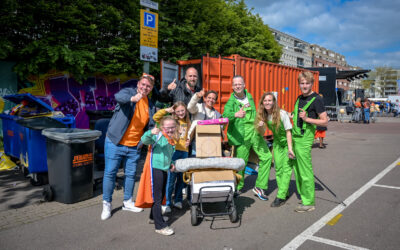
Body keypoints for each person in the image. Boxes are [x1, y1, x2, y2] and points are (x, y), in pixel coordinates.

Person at [101, 73, 156, 220]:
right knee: (110, 173)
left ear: (151, 89)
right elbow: (119, 97)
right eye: (143, 84)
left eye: (148, 86)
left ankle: (127, 201)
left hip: (134, 146)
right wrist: (133, 99)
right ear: (138, 84)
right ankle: (107, 203)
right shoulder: (129, 93)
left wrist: (147, 138)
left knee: (130, 174)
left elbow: (150, 125)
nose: (145, 88)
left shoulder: (150, 105)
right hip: (115, 142)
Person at [223, 75, 272, 200]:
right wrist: (235, 114)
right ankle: (238, 187)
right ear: (232, 87)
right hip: (241, 136)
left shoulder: (248, 96)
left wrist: (260, 122)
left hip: (255, 132)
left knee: (267, 157)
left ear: (244, 85)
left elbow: (255, 112)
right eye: (235, 84)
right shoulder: (231, 101)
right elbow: (225, 116)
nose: (238, 86)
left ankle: (260, 186)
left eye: (240, 84)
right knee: (241, 164)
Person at [291, 71, 328, 212]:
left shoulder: (317, 99)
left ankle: (309, 202)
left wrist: (307, 119)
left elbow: (324, 122)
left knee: (305, 171)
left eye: (307, 83)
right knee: (298, 170)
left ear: (312, 83)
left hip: (305, 139)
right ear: (299, 84)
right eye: (302, 83)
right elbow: (295, 117)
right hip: (295, 138)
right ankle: (304, 196)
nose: (304, 85)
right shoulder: (299, 98)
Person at [255, 92, 295, 207]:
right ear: (262, 102)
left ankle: (281, 196)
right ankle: (285, 192)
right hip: (277, 143)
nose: (267, 102)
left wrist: (290, 149)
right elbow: (261, 132)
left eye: (270, 100)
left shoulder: (282, 114)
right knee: (278, 169)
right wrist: (261, 126)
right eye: (265, 100)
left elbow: (288, 131)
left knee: (286, 169)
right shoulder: (263, 115)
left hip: (288, 143)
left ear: (273, 102)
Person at [141, 116, 177, 236]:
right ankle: (159, 226)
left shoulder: (171, 138)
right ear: (162, 127)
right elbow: (144, 140)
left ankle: (153, 217)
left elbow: (168, 155)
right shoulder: (158, 136)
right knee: (157, 198)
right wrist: (150, 132)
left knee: (160, 196)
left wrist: (171, 164)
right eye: (168, 128)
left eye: (173, 127)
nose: (170, 130)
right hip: (155, 169)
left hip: (164, 169)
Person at [153, 102, 191, 213]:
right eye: (178, 111)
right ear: (174, 112)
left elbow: (187, 136)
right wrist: (166, 110)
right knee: (170, 179)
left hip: (184, 152)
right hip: (173, 151)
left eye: (182, 110)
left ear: (185, 110)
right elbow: (156, 117)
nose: (180, 113)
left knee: (180, 178)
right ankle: (167, 202)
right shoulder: (171, 120)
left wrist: (188, 141)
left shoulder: (188, 122)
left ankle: (178, 200)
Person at [187, 89, 223, 154]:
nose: (211, 100)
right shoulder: (198, 107)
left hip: (210, 143)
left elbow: (221, 128)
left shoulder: (217, 114)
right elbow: (190, 107)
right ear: (205, 98)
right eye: (209, 98)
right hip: (196, 142)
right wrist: (197, 96)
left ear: (215, 101)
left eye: (213, 99)